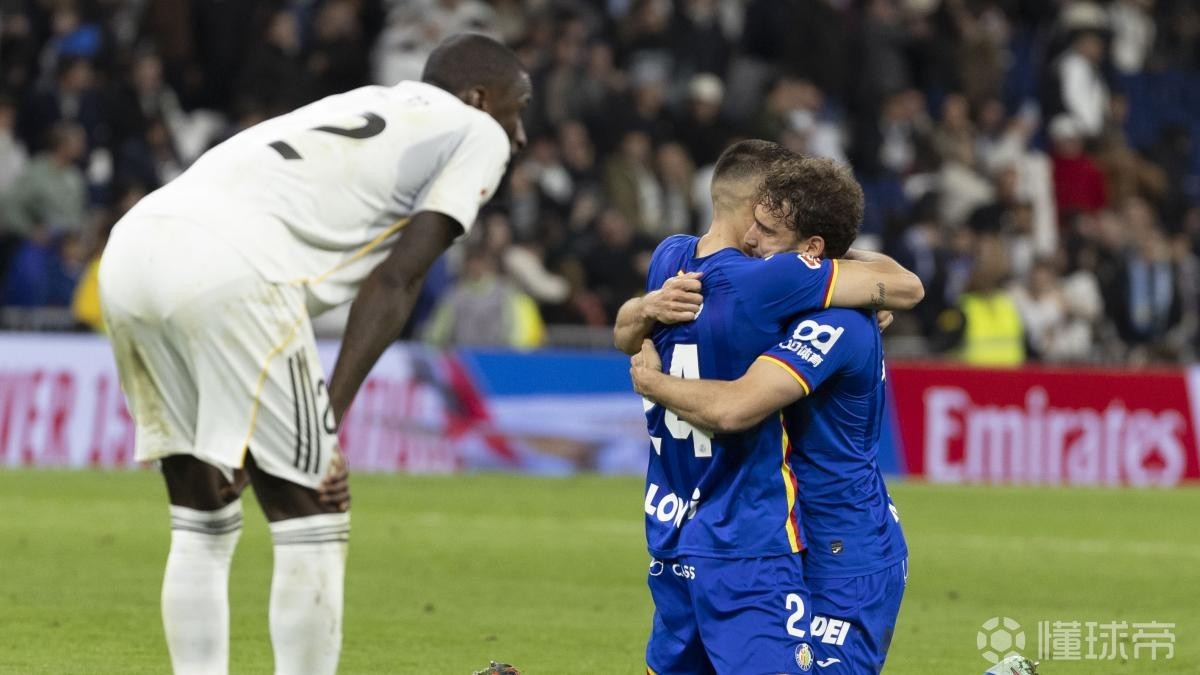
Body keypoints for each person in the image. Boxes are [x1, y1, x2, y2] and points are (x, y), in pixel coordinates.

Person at [97, 34, 530, 675]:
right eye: (518, 108)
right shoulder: (477, 132)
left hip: (132, 247)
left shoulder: (363, 102)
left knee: (201, 514)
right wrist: (331, 414)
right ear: (479, 98)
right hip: (234, 264)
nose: (520, 134)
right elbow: (397, 280)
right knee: (315, 511)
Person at [611, 143, 922, 674]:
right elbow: (903, 284)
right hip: (759, 530)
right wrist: (644, 315)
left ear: (812, 250)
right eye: (757, 222)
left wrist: (649, 371)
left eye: (770, 229)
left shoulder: (678, 260)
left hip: (839, 543)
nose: (755, 239)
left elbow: (733, 406)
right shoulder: (769, 283)